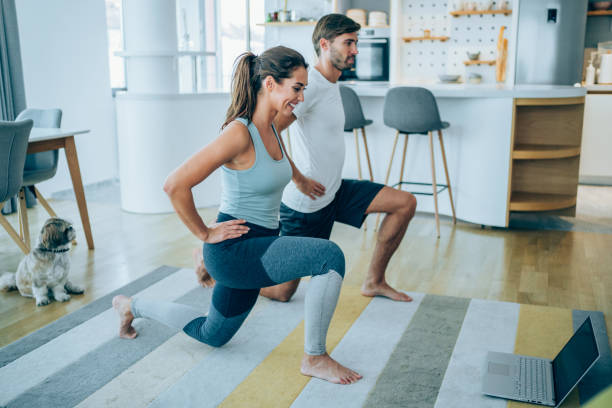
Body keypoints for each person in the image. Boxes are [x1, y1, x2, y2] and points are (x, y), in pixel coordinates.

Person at [113, 46, 361, 385]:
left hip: (258, 245)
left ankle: (131, 306)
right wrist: (204, 234)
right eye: (297, 88)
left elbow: (280, 164)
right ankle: (315, 357)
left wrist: (301, 181)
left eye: (304, 89)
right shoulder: (238, 132)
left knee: (212, 333)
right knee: (329, 257)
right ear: (271, 83)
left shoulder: (272, 126)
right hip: (235, 249)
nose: (301, 97)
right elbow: (175, 185)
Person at [195, 14, 417, 303]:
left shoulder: (330, 83)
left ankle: (374, 281)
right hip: (306, 205)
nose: (355, 50)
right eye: (348, 43)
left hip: (334, 191)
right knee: (284, 292)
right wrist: (297, 178)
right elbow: (270, 131)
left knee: (404, 203)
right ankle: (218, 270)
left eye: (356, 43)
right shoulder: (307, 87)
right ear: (325, 44)